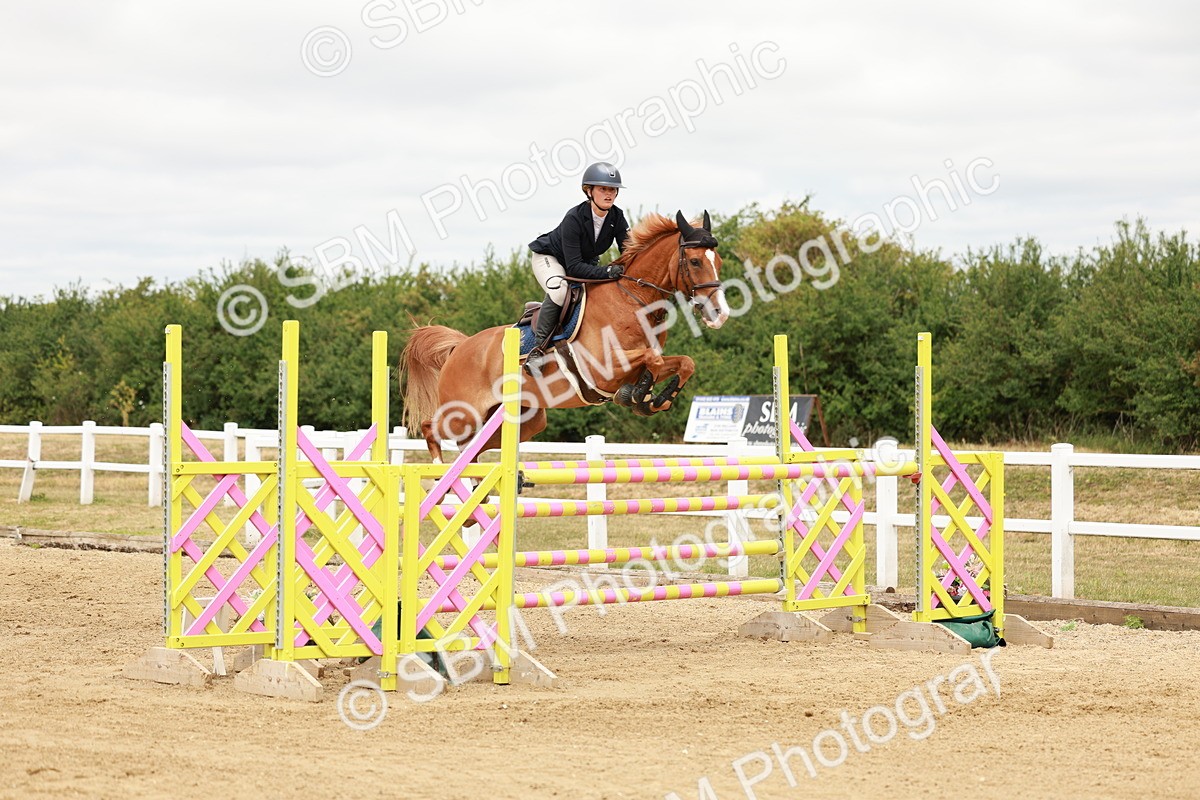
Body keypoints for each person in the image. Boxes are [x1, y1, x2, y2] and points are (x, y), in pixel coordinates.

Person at [526, 161, 630, 366]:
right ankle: (537, 350)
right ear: (589, 191)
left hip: (582, 263)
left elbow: (629, 250)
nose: (609, 194)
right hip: (550, 258)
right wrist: (609, 271)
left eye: (612, 189)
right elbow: (573, 267)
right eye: (603, 189)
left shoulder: (617, 216)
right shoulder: (574, 218)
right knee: (559, 291)